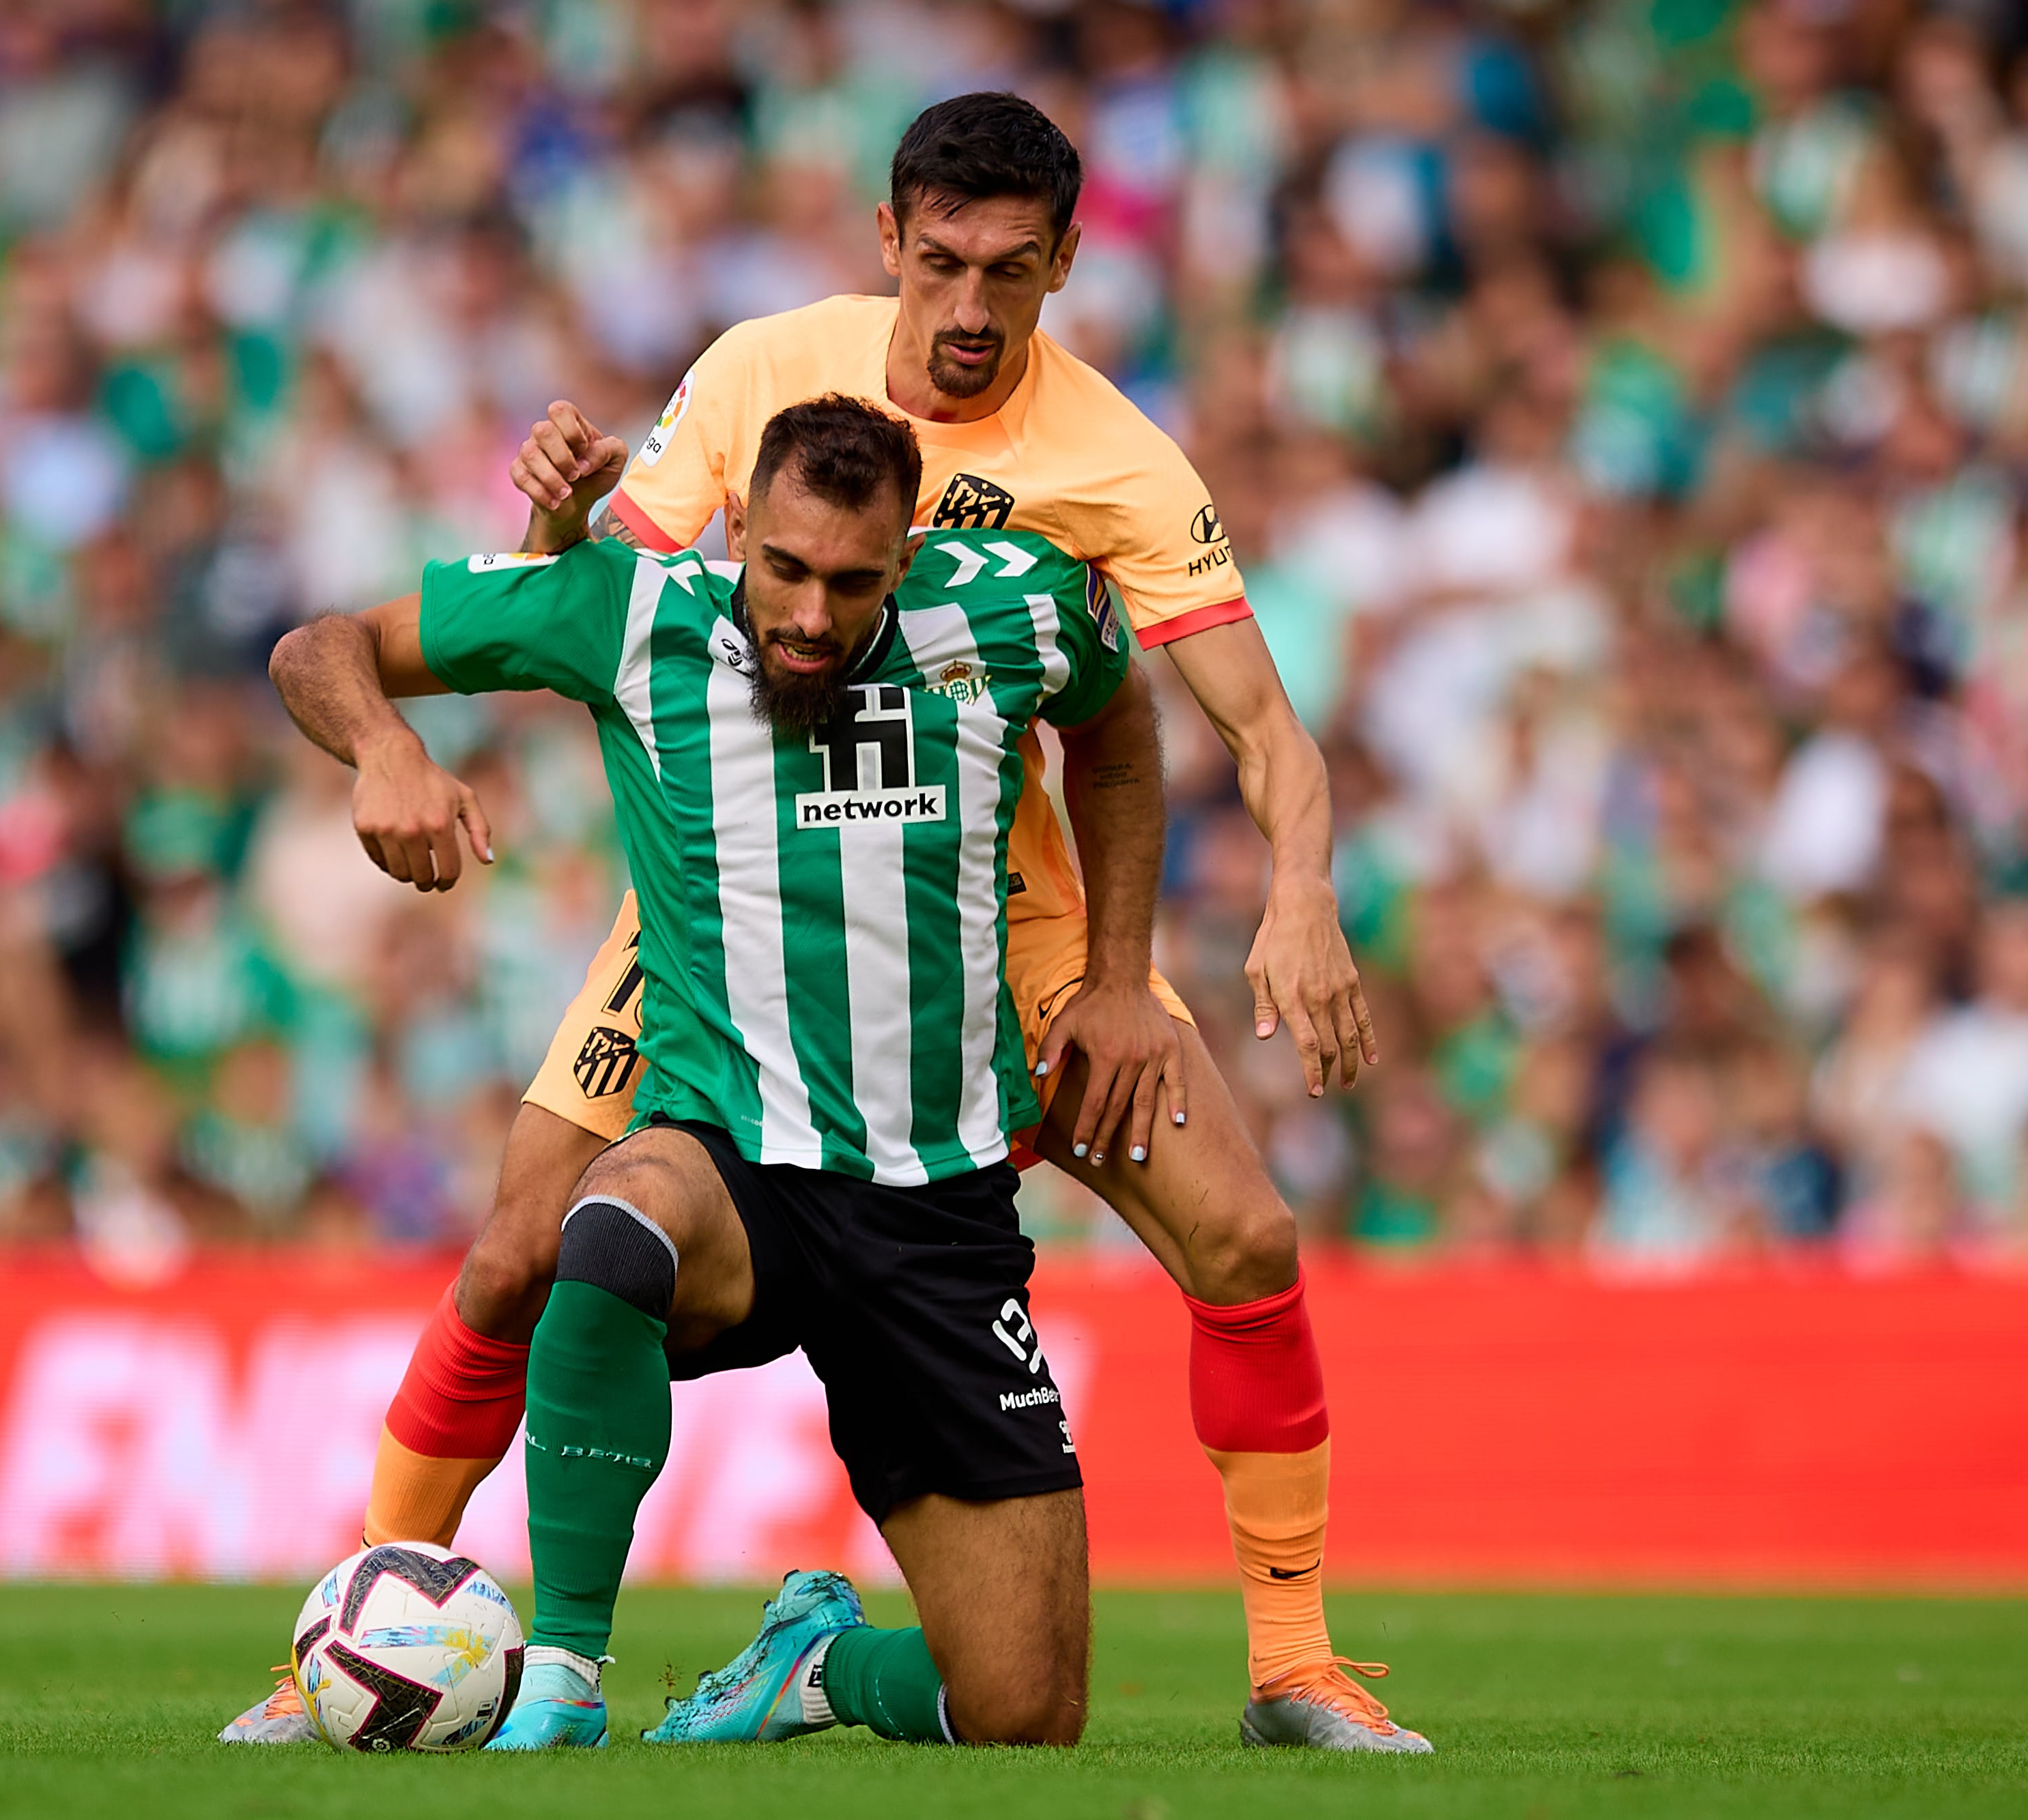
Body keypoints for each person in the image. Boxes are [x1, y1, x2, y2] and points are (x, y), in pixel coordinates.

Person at [293, 91, 1427, 1754]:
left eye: (1012, 274)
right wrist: (532, 544)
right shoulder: (761, 372)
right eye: (945, 263)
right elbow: (612, 612)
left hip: (1003, 907)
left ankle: (1293, 1663)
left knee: (1245, 1235)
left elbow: (1230, 724)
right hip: (734, 895)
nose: (971, 312)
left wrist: (1251, 912)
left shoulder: (1113, 461)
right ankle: (375, 1629)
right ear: (888, 239)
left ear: (1061, 266)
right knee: (527, 1251)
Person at [268, 394, 1169, 1746]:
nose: (810, 613)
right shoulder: (632, 612)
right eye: (785, 569)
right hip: (733, 1163)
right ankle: (565, 1674)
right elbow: (317, 647)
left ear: (908, 553)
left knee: (1022, 1710)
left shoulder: (1022, 604)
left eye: (853, 582)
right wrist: (387, 746)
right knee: (612, 1218)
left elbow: (1118, 727)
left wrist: (1113, 976)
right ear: (735, 522)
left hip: (940, 1214)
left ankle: (813, 1667)